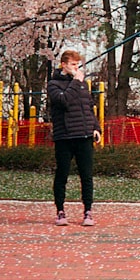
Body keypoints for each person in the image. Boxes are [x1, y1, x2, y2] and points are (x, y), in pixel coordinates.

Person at [47, 49, 102, 226]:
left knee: (86, 175)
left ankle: (88, 211)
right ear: (64, 65)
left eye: (78, 64)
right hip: (64, 137)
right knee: (62, 174)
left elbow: (88, 106)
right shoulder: (53, 84)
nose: (76, 67)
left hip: (84, 135)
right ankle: (60, 211)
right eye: (73, 64)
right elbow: (64, 101)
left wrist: (95, 128)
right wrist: (76, 81)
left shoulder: (82, 84)